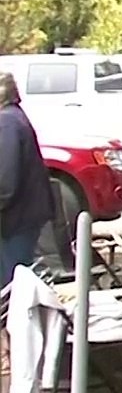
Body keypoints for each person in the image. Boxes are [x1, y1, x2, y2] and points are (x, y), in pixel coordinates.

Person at [0, 72, 56, 288]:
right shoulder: (13, 117)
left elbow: (5, 181)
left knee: (13, 284)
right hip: (23, 215)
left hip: (15, 219)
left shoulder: (7, 123)